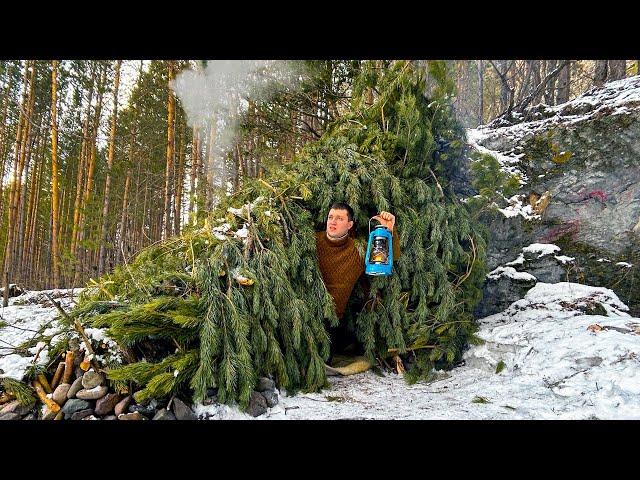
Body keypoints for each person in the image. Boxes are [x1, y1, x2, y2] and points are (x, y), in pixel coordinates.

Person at [315, 202, 401, 374]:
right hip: (306, 314)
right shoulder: (313, 241)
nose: (332, 221)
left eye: (339, 218)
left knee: (324, 356)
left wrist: (389, 231)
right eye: (331, 217)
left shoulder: (358, 250)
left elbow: (391, 256)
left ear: (350, 225)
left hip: (331, 321)